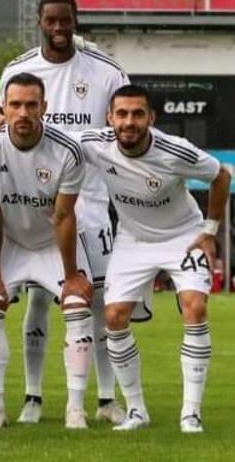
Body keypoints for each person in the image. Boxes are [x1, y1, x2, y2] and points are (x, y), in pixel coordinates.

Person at [0, 0, 128, 425]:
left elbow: (125, 119)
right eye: (51, 20)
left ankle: (105, 399)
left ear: (75, 20)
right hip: (33, 204)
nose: (59, 28)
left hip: (91, 202)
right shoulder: (18, 69)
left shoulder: (106, 71)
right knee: (39, 298)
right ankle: (33, 396)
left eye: (66, 20)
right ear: (40, 22)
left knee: (95, 302)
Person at [80, 85, 230, 433]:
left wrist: (209, 230)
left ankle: (191, 414)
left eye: (137, 114)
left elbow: (221, 175)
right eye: (121, 114)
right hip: (132, 239)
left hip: (183, 236)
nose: (129, 121)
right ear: (109, 118)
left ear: (151, 117)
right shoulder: (94, 143)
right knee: (114, 317)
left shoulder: (175, 150)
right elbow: (50, 136)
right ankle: (136, 411)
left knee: (195, 307)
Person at [0, 72, 93, 430]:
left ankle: (75, 408)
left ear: (45, 107)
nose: (23, 113)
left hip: (53, 242)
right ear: (3, 107)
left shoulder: (68, 150)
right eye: (15, 105)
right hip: (10, 242)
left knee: (78, 306)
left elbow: (64, 215)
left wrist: (71, 276)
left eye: (31, 105)